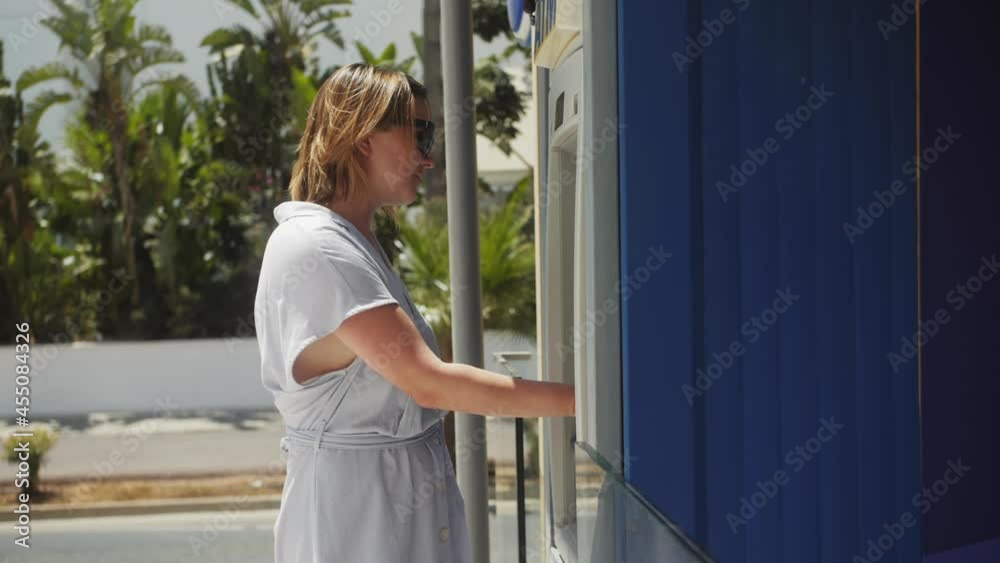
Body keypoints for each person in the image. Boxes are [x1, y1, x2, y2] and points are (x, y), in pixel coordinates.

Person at [253, 63, 575, 563]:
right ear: (363, 137)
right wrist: (588, 402)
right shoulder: (317, 246)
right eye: (420, 134)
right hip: (360, 521)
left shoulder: (353, 243)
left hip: (385, 506)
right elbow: (428, 382)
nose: (429, 157)